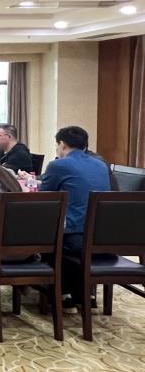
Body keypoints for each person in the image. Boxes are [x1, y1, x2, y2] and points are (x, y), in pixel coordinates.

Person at [38, 126, 111, 309]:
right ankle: (82, 292)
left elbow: (43, 197)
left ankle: (59, 292)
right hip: (104, 238)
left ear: (62, 144)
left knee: (45, 238)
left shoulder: (58, 165)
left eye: (57, 145)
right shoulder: (100, 165)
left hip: (77, 239)